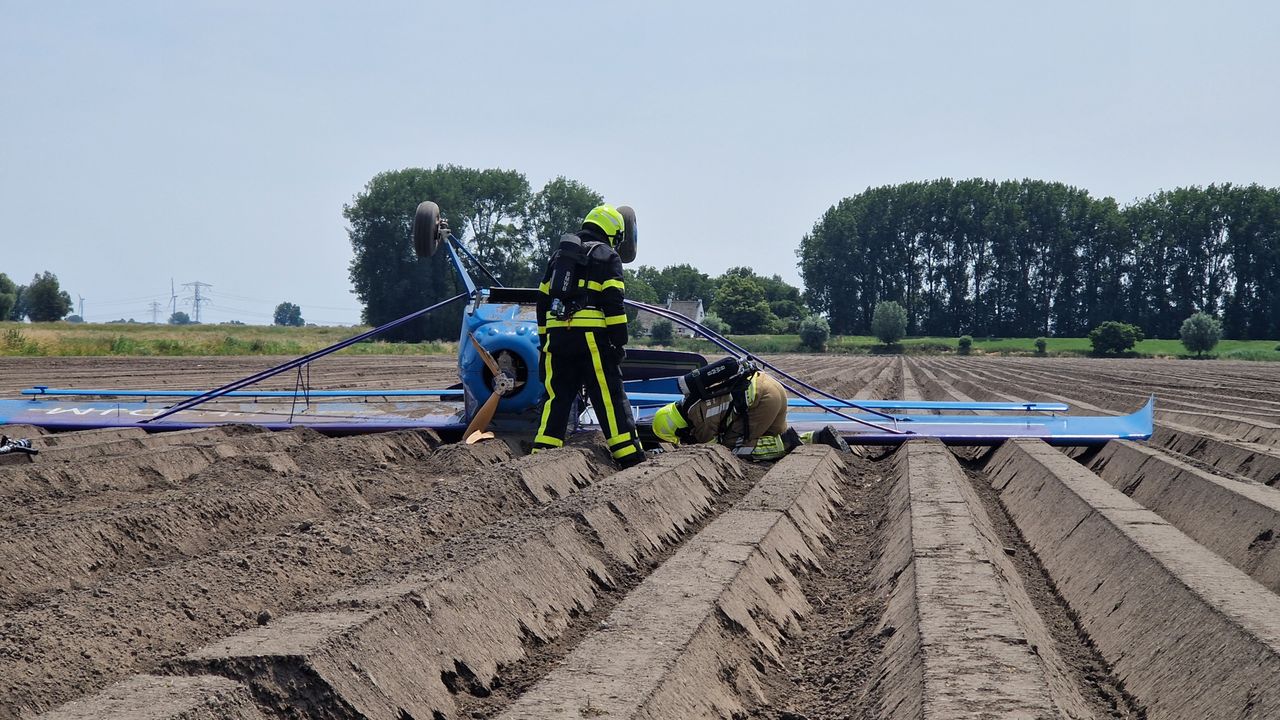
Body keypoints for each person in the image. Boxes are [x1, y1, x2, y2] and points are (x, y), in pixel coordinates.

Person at [532, 204, 645, 468]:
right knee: (608, 395)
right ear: (612, 231)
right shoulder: (607, 256)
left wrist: (545, 339)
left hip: (557, 337)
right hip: (592, 339)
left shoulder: (559, 257)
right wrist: (619, 341)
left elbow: (542, 301)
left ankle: (541, 456)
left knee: (556, 396)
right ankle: (630, 457)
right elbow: (614, 304)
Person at [651, 359, 848, 460]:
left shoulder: (696, 417)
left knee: (732, 448)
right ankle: (819, 437)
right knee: (772, 437)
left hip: (761, 398)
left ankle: (788, 443)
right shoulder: (693, 401)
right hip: (771, 386)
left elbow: (712, 448)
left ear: (679, 428)